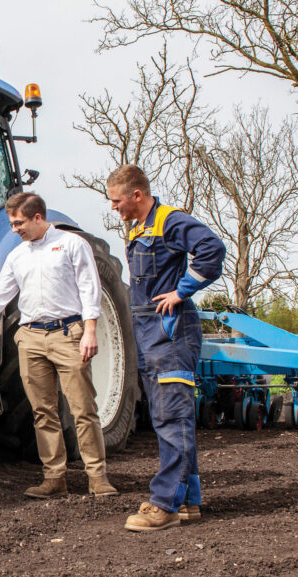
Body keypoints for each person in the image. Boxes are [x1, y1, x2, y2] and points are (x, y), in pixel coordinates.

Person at [0, 192, 118, 499]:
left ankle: (97, 476)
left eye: (18, 223)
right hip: (31, 338)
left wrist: (90, 329)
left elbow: (90, 288)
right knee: (42, 412)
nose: (14, 230)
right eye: (12, 224)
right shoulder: (17, 255)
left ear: (38, 217)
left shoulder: (72, 245)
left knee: (82, 409)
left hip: (68, 334)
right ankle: (54, 478)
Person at [106, 165, 226, 532]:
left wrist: (182, 290)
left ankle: (164, 504)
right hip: (148, 329)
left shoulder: (169, 221)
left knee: (173, 417)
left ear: (137, 195)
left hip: (171, 330)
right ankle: (187, 501)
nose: (114, 208)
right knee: (165, 417)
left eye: (117, 201)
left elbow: (212, 249)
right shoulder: (139, 227)